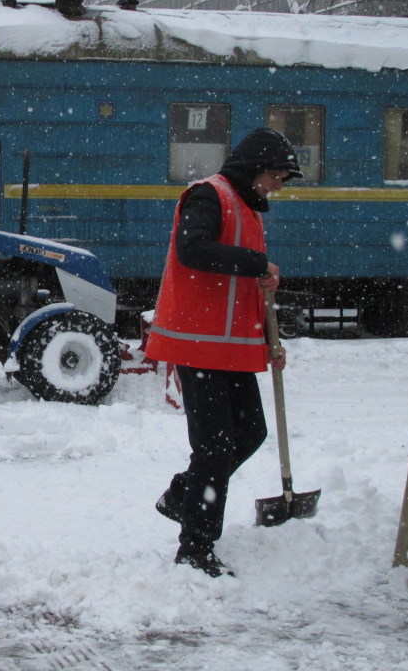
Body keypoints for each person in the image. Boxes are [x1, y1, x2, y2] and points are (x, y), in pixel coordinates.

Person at [145, 127, 302, 578]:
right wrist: (255, 264)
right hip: (197, 345)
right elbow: (192, 251)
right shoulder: (208, 196)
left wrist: (269, 342)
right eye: (275, 176)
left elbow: (241, 292)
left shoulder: (249, 212)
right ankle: (195, 549)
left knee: (249, 433)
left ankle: (182, 495)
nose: (277, 187)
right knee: (214, 447)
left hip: (229, 348)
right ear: (255, 169)